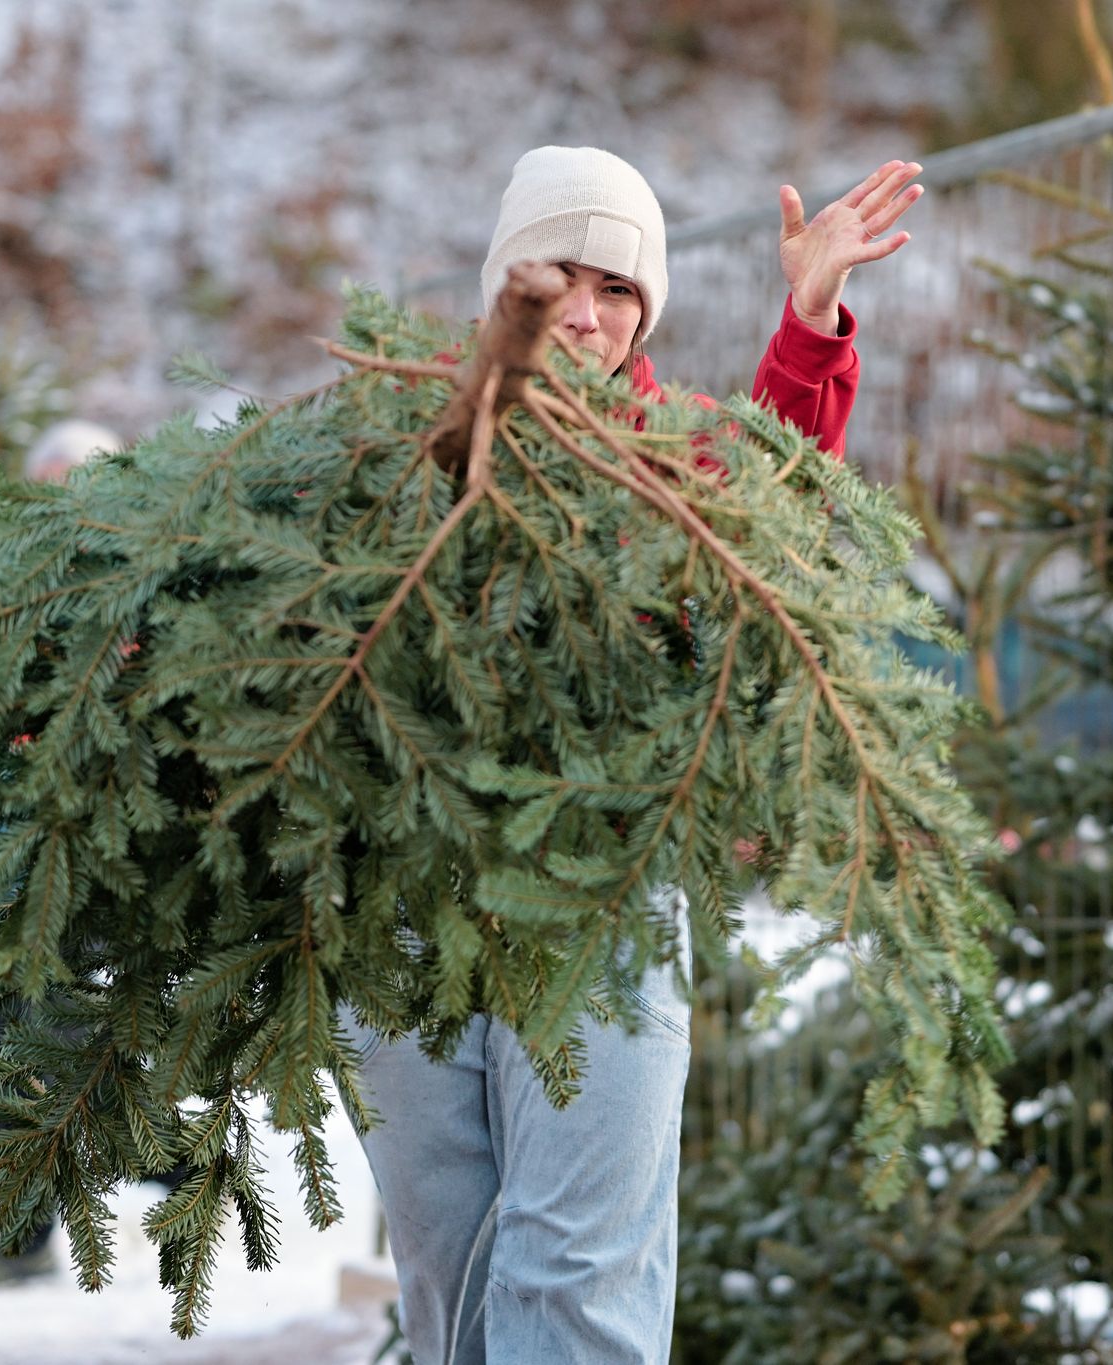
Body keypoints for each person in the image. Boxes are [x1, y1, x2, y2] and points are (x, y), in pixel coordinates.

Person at [341, 145, 922, 1363]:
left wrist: (809, 322)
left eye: (617, 290)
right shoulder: (399, 445)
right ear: (510, 285)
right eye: (561, 280)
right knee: (447, 1267)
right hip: (401, 894)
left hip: (597, 890)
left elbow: (777, 505)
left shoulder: (674, 451)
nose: (589, 318)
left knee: (574, 1264)